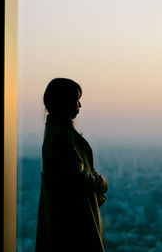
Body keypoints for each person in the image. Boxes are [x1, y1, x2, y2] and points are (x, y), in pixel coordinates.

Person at [35, 78, 108, 252]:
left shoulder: (54, 132)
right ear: (64, 102)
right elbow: (78, 177)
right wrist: (100, 183)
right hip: (73, 219)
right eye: (76, 99)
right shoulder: (62, 137)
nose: (79, 105)